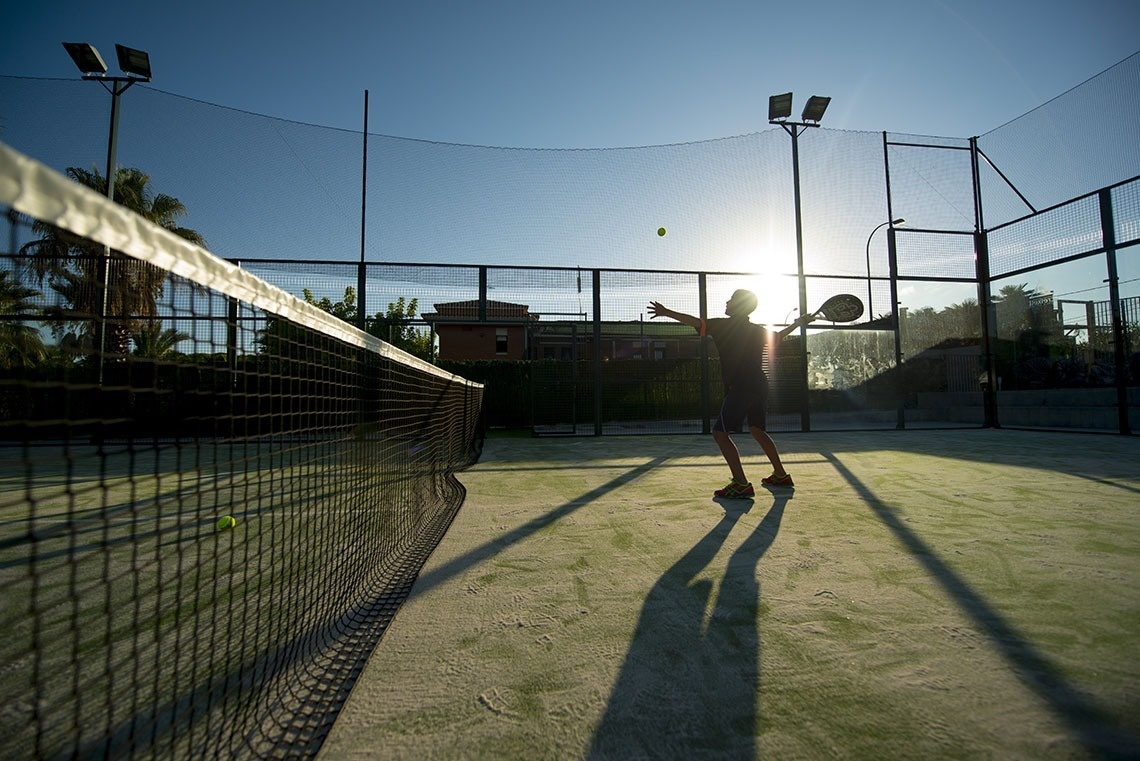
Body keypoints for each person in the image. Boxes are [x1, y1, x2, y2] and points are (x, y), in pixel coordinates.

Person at [647, 289, 813, 498]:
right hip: (759, 384)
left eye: (731, 299)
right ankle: (781, 475)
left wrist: (665, 311)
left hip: (742, 385)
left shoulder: (722, 325)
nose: (727, 301)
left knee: (719, 433)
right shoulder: (756, 329)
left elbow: (695, 322)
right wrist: (798, 323)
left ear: (739, 305)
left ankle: (741, 484)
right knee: (757, 430)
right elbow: (779, 337)